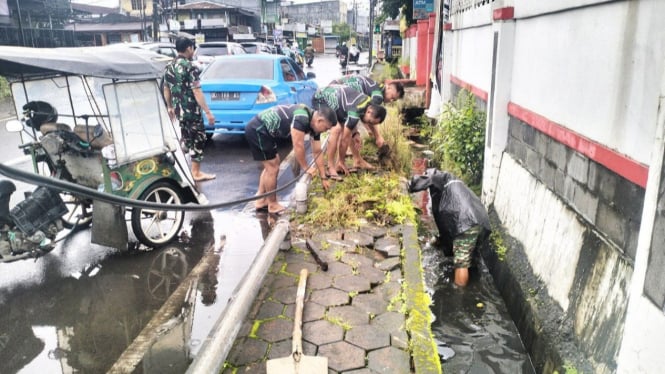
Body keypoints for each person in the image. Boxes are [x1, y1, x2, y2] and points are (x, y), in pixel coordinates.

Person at [245, 104, 337, 215]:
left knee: (272, 165)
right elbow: (298, 145)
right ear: (319, 120)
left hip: (265, 131)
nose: (326, 131)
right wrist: (306, 167)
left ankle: (261, 199)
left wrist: (323, 177)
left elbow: (317, 151)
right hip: (258, 129)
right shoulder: (302, 118)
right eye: (326, 128)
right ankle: (272, 205)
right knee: (272, 168)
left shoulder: (314, 126)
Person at [408, 168, 491, 287]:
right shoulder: (455, 183)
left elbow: (421, 181)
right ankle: (476, 283)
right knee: (472, 256)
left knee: (461, 263)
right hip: (481, 220)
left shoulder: (437, 176)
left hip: (465, 223)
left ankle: (459, 295)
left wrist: (408, 185)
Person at [163, 37, 216, 182]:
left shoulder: (169, 66)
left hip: (179, 111)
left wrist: (169, 107)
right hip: (192, 111)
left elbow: (166, 88)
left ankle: (189, 170)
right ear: (188, 48)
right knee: (198, 139)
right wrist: (207, 111)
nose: (193, 51)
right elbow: (197, 91)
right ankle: (196, 172)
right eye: (192, 48)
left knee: (187, 139)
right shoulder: (190, 67)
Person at [311, 85, 387, 179]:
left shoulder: (367, 103)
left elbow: (349, 119)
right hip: (321, 98)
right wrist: (342, 161)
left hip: (337, 102)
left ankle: (342, 163)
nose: (367, 124)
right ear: (369, 111)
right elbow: (344, 140)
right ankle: (331, 167)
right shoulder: (358, 109)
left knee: (345, 128)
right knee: (337, 128)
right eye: (370, 121)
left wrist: (355, 134)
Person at [330, 74, 405, 105]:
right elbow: (368, 114)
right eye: (392, 97)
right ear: (388, 87)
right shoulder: (378, 96)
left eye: (394, 100)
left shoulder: (374, 84)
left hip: (333, 86)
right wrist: (377, 135)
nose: (391, 101)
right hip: (337, 94)